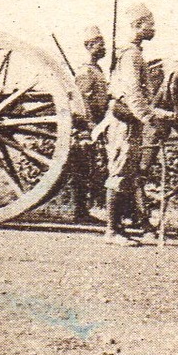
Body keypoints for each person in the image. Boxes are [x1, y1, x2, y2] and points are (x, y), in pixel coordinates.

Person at [102, 4, 174, 245]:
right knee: (120, 172)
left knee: (128, 173)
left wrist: (156, 111)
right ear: (136, 26)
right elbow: (132, 93)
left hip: (131, 121)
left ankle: (119, 228)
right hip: (125, 123)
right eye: (149, 24)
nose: (153, 28)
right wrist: (149, 118)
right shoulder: (131, 54)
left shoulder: (133, 52)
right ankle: (112, 232)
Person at [71, 28, 110, 224]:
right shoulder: (85, 71)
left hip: (98, 124)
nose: (104, 48)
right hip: (86, 128)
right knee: (82, 168)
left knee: (91, 168)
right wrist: (91, 125)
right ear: (88, 46)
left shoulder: (97, 70)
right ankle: (80, 211)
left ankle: (84, 210)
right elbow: (81, 102)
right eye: (99, 44)